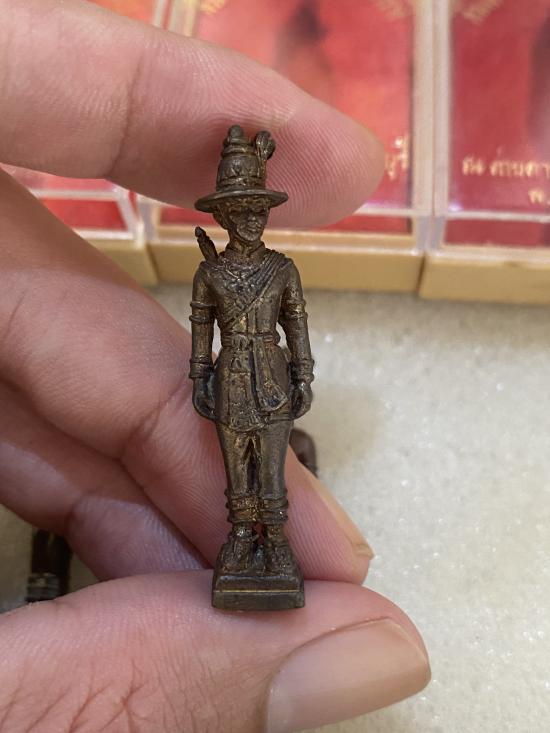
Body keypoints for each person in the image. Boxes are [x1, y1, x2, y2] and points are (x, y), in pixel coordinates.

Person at [0, 2, 430, 732]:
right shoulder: (211, 275)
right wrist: (198, 375)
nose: (249, 220)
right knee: (236, 471)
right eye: (239, 211)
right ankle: (243, 541)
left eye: (256, 209)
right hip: (230, 380)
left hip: (274, 380)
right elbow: (200, 332)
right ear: (226, 216)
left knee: (272, 471)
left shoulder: (282, 269)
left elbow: (297, 325)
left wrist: (304, 374)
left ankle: (273, 544)